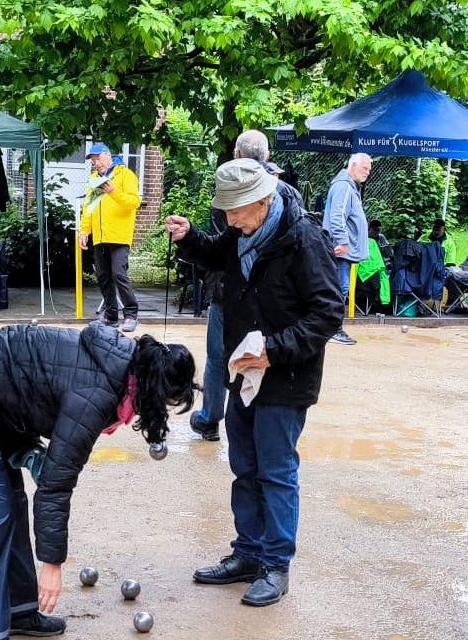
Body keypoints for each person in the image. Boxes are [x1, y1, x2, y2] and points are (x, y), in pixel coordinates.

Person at [0, 324, 195, 639]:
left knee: (11, 505)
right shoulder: (96, 393)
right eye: (166, 402)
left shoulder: (121, 365)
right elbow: (55, 486)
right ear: (153, 387)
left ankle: (17, 612)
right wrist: (52, 564)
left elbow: (29, 387)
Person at [165, 158, 341, 607]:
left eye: (236, 212)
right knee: (244, 464)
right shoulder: (244, 232)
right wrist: (190, 239)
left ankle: (275, 564)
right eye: (225, 212)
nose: (229, 221)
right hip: (244, 371)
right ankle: (248, 553)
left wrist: (275, 350)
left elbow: (328, 313)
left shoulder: (304, 240)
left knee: (275, 472)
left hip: (286, 376)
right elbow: (216, 254)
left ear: (262, 201)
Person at [190, 130, 304, 442]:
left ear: (238, 155)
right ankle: (240, 414)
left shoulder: (232, 186)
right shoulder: (289, 193)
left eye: (236, 212)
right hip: (266, 299)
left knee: (220, 356)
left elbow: (221, 244)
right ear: (268, 156)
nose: (233, 220)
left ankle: (211, 417)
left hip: (231, 293)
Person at [79, 143, 142, 332]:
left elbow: (134, 202)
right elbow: (88, 207)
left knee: (118, 274)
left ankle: (131, 315)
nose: (96, 163)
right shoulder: (94, 179)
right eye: (93, 160)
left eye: (98, 158)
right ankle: (110, 315)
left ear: (108, 155)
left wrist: (114, 192)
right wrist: (84, 231)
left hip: (120, 235)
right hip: (100, 236)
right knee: (103, 276)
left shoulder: (125, 175)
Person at [322, 153, 371, 345]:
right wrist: (342, 242)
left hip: (345, 250)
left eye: (369, 169)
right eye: (364, 168)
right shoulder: (344, 185)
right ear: (353, 166)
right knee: (339, 288)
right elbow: (337, 216)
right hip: (341, 249)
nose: (367, 172)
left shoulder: (349, 186)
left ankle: (331, 328)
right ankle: (333, 330)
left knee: (338, 288)